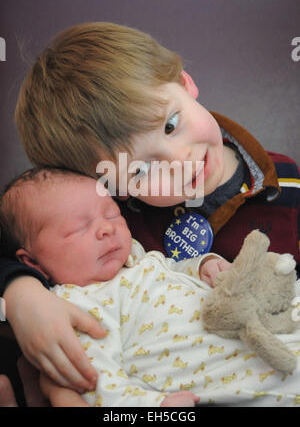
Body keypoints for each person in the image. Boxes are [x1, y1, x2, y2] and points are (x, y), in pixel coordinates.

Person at [0, 22, 299, 401]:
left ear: (184, 83)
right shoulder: (120, 225)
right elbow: (26, 244)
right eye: (141, 170)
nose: (179, 160)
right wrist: (22, 295)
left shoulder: (288, 180)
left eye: (171, 124)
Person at [2, 167, 300, 407]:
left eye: (110, 214)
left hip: (260, 323)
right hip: (240, 373)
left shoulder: (134, 256)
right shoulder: (72, 306)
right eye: (78, 228)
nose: (106, 228)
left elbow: (171, 268)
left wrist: (203, 265)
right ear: (32, 262)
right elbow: (96, 385)